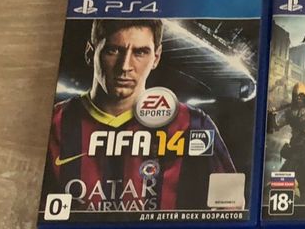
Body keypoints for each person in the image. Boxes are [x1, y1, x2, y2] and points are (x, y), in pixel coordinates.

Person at [43, 19, 236, 213]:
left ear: (156, 58)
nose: (125, 66)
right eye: (113, 50)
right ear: (90, 52)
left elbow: (231, 204)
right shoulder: (55, 124)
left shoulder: (192, 124)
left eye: (140, 52)